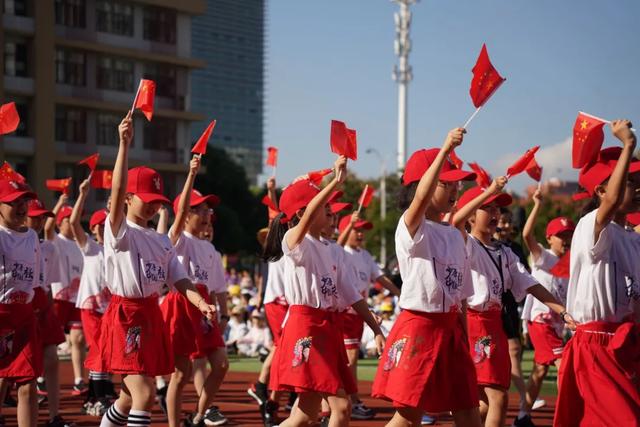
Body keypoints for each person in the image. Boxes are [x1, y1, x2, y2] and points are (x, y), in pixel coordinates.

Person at [98, 111, 216, 427]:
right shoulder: (119, 231)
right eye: (145, 199)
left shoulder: (161, 240)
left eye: (157, 200)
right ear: (128, 199)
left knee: (127, 397)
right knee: (145, 394)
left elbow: (179, 277)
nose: (152, 205)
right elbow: (117, 189)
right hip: (126, 316)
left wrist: (201, 302)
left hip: (151, 315)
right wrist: (124, 145)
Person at [372, 129, 482, 427]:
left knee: (469, 410)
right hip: (420, 327)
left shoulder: (455, 235)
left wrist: (463, 335)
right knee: (408, 417)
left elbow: (459, 296)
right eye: (447, 183)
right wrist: (446, 148)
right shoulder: (412, 227)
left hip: (451, 332)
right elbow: (420, 198)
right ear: (425, 184)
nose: (456, 189)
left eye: (457, 183)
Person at [265, 156, 385, 427]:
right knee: (341, 407)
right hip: (305, 328)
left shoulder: (335, 251)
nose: (333, 216)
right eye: (327, 210)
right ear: (300, 214)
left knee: (304, 413)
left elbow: (353, 296)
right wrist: (334, 183)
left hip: (328, 329)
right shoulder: (295, 242)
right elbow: (306, 219)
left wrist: (376, 330)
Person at [452, 181, 577, 427]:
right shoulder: (467, 245)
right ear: (470, 216)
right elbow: (456, 222)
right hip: (474, 324)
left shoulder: (505, 252)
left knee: (483, 403)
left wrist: (562, 311)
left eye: (497, 209)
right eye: (488, 208)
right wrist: (487, 191)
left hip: (495, 325)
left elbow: (530, 283)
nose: (495, 213)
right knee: (498, 397)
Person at [554, 121, 640, 427]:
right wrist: (628, 145)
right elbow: (612, 203)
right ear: (603, 190)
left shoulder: (632, 237)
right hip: (595, 345)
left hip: (624, 344)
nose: (637, 186)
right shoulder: (591, 226)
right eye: (630, 179)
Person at [165, 158, 229, 427]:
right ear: (185, 213)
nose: (206, 214)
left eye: (207, 210)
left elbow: (218, 287)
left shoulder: (210, 249)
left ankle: (199, 415)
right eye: (199, 209)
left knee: (222, 364)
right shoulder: (176, 240)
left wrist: (222, 316)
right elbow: (177, 221)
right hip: (181, 303)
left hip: (204, 310)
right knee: (181, 374)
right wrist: (191, 175)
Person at [518, 189, 575, 426]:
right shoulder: (544, 256)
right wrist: (538, 204)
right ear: (550, 238)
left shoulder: (571, 262)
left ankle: (522, 417)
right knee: (564, 365)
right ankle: (570, 416)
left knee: (540, 372)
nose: (566, 239)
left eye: (569, 234)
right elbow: (527, 234)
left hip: (556, 325)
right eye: (561, 235)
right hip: (539, 320)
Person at [336, 213, 401, 420]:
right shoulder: (341, 252)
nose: (361, 233)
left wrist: (402, 294)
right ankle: (350, 400)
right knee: (349, 358)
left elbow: (381, 278)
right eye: (357, 229)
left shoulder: (364, 255)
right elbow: (337, 246)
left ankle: (346, 399)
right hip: (345, 312)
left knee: (348, 359)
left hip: (358, 312)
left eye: (362, 229)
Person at [25, 198, 73, 427]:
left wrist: (50, 312)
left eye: (41, 216)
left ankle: (54, 416)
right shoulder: (7, 240)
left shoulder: (48, 248)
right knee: (12, 371)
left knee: (52, 359)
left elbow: (49, 285)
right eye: (34, 215)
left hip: (43, 304)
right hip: (19, 305)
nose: (39, 220)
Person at [69, 176, 113, 417]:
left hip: (109, 309)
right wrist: (83, 194)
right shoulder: (90, 247)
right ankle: (97, 397)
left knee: (107, 352)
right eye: (102, 225)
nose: (105, 228)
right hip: (90, 307)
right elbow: (74, 222)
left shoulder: (115, 248)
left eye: (108, 225)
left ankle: (98, 394)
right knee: (98, 350)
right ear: (95, 228)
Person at [0, 179, 42, 427]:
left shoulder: (32, 238)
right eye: (13, 202)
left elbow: (34, 281)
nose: (21, 207)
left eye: (24, 201)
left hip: (24, 315)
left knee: (28, 381)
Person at [44, 196, 87, 396]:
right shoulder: (56, 241)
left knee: (78, 339)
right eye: (68, 220)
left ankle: (79, 379)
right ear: (61, 223)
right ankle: (41, 377)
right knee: (50, 342)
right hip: (59, 297)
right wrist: (60, 203)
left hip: (78, 298)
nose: (72, 223)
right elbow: (47, 228)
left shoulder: (81, 240)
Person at [494, 207, 528, 415]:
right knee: (511, 352)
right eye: (502, 221)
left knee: (514, 353)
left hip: (509, 306)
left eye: (508, 222)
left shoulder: (513, 249)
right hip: (489, 309)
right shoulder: (476, 245)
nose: (506, 226)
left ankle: (524, 405)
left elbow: (525, 277)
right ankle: (526, 400)